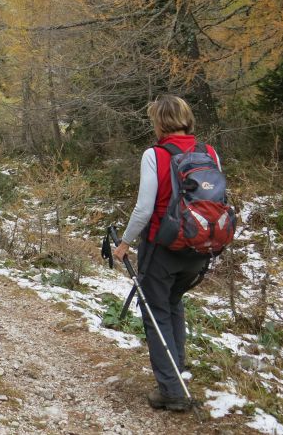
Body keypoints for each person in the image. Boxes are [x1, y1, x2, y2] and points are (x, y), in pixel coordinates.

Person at [112, 95, 219, 412]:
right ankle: (177, 375)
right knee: (173, 304)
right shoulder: (209, 152)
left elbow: (144, 208)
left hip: (162, 247)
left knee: (156, 313)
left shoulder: (154, 155)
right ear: (187, 118)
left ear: (159, 122)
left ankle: (172, 391)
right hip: (200, 247)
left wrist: (125, 243)